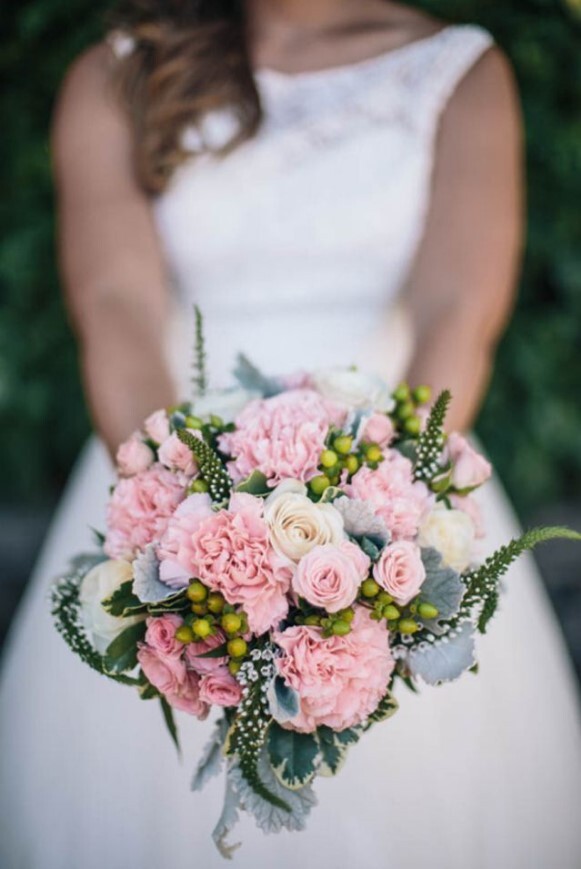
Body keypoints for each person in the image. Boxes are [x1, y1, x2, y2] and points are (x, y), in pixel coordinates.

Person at [1, 1, 580, 867]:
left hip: (393, 464)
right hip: (165, 456)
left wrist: (381, 513)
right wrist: (186, 511)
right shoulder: (117, 70)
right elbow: (116, 305)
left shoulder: (458, 70)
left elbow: (456, 310)